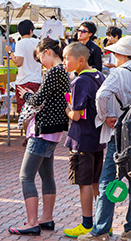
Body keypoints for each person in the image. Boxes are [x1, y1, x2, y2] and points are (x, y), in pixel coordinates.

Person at [8, 38, 70, 236]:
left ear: (47, 52)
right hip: (54, 131)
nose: (40, 62)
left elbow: (37, 99)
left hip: (43, 130)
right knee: (46, 176)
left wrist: (26, 95)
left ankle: (32, 222)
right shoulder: (63, 72)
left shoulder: (54, 72)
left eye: (39, 57)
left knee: (26, 176)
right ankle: (46, 218)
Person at [78, 36, 131, 241]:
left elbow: (101, 95)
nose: (113, 56)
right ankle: (129, 228)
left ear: (123, 54)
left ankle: (101, 230)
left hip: (119, 132)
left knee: (108, 179)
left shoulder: (118, 73)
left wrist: (105, 115)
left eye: (116, 53)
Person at [62, 42, 105, 238]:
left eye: (66, 58)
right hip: (97, 137)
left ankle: (87, 223)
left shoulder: (79, 81)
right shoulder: (98, 75)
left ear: (80, 60)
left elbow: (77, 115)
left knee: (84, 183)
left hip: (81, 139)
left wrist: (67, 110)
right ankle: (102, 222)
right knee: (96, 181)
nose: (64, 62)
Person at [5, 20, 42, 115]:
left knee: (24, 113)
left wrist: (10, 52)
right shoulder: (39, 42)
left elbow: (18, 62)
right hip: (37, 80)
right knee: (36, 111)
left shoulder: (21, 43)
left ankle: (27, 130)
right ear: (31, 30)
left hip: (23, 81)